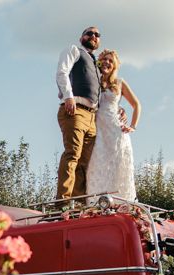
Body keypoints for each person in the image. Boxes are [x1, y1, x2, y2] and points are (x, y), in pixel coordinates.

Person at [85, 49, 141, 201]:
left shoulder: (120, 83)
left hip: (116, 133)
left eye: (111, 61)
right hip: (98, 133)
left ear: (115, 66)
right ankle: (95, 207)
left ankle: (120, 206)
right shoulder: (93, 81)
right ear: (98, 61)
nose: (107, 62)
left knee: (117, 172)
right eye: (104, 59)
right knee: (95, 170)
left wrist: (132, 126)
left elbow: (136, 104)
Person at [55, 26, 102, 200]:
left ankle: (79, 203)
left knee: (84, 162)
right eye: (89, 33)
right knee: (72, 154)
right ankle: (63, 201)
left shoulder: (96, 64)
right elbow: (62, 72)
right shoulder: (74, 50)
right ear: (81, 37)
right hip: (76, 109)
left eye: (97, 35)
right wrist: (68, 96)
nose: (93, 36)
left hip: (91, 116)